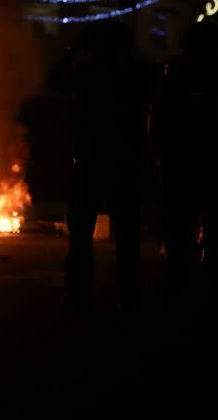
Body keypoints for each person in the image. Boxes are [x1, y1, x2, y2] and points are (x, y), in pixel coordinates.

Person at [55, 20, 148, 309]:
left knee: (83, 229)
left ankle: (80, 288)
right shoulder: (131, 74)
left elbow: (54, 80)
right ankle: (126, 291)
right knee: (123, 230)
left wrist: (73, 51)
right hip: (118, 161)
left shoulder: (91, 74)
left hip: (94, 160)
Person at [150, 20, 218, 296]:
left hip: (191, 163)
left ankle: (182, 280)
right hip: (198, 163)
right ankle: (198, 281)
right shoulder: (215, 75)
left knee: (182, 226)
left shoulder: (185, 74)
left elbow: (159, 118)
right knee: (197, 225)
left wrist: (160, 152)